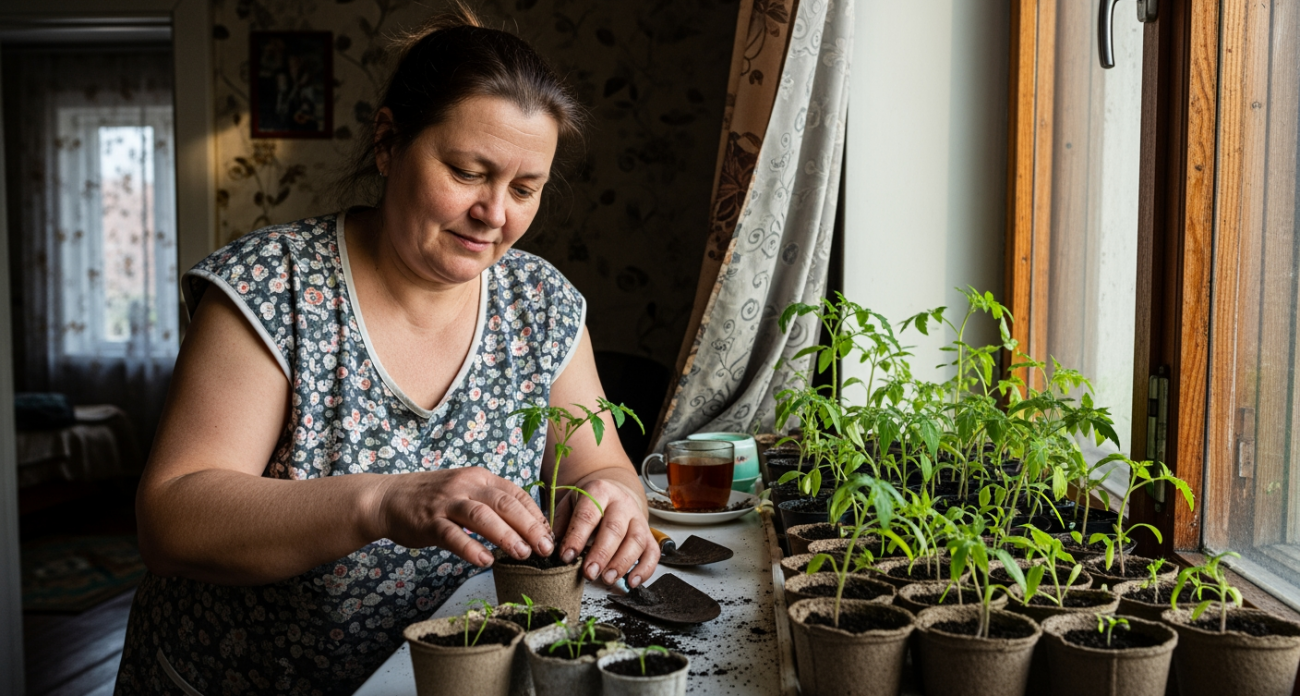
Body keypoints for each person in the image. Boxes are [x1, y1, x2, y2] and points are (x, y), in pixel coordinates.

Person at [114, 9, 658, 695]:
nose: (495, 213)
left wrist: (616, 499)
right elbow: (172, 519)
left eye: (525, 189)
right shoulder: (272, 287)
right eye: (466, 172)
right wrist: (380, 502)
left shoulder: (541, 303)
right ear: (387, 142)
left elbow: (601, 463)